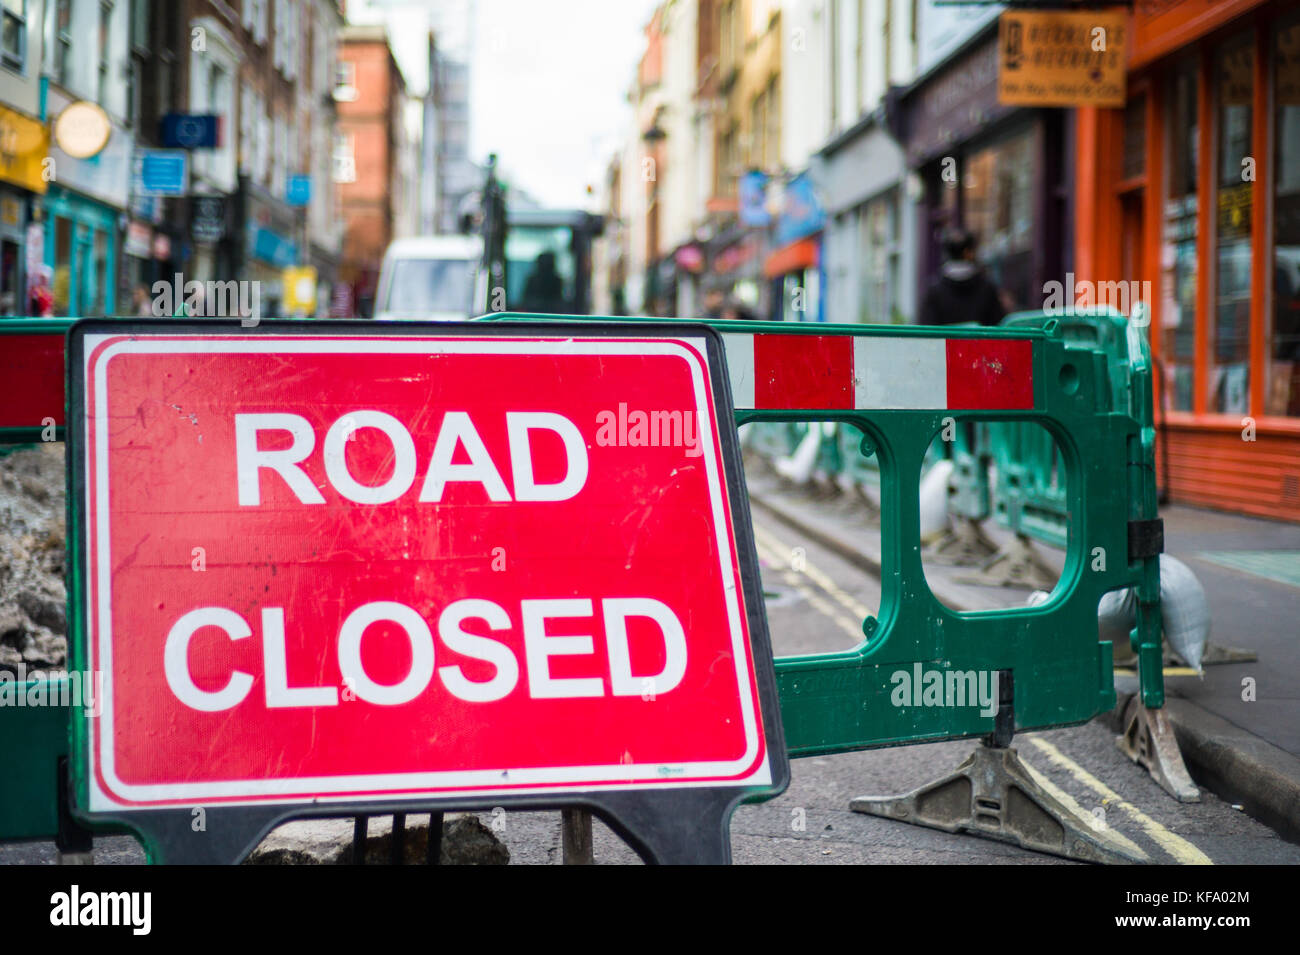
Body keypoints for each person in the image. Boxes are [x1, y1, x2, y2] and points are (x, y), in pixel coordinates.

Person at [918, 227, 1005, 327]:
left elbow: (926, 330)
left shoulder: (934, 291)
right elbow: (998, 327)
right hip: (979, 343)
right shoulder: (988, 289)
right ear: (969, 253)